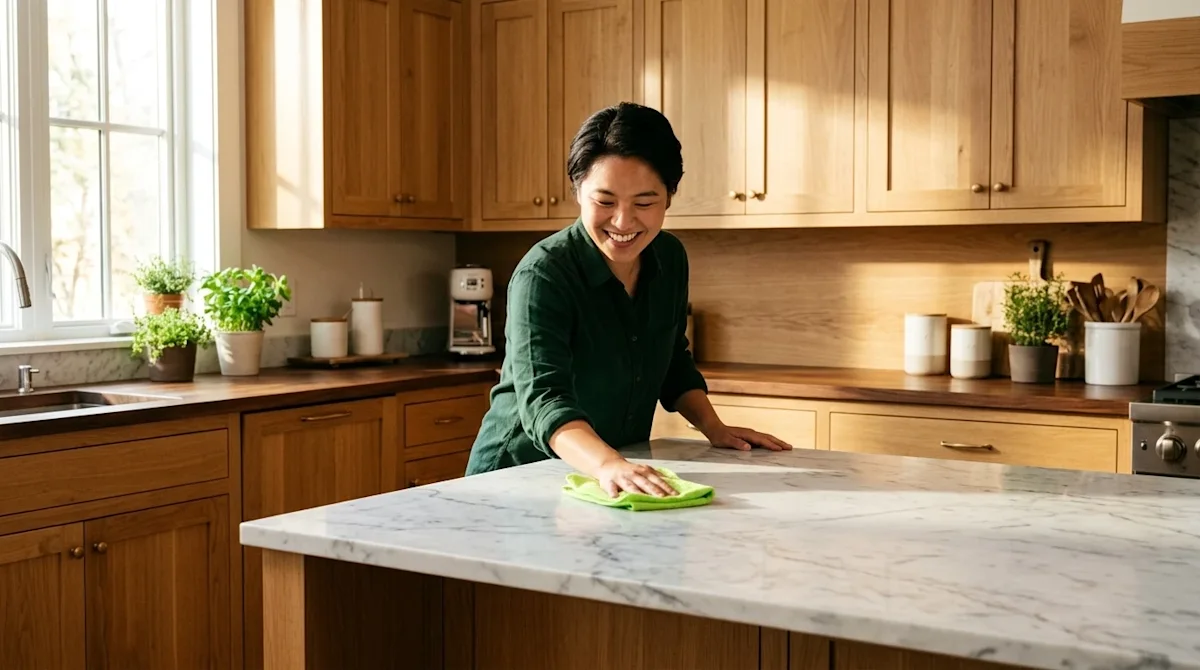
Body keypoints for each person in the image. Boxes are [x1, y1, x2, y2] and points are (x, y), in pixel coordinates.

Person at [464, 102, 791, 498]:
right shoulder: (544, 274)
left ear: (669, 198)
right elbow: (544, 399)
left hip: (611, 473)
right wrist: (607, 464)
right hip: (518, 476)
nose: (622, 221)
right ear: (577, 192)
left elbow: (671, 358)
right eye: (604, 201)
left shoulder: (669, 258)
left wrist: (713, 427)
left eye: (644, 203)